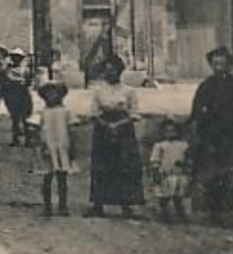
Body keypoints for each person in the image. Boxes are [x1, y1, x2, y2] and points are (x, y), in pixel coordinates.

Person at [189, 46, 233, 226]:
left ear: (228, 65)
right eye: (215, 64)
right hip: (211, 137)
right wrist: (198, 131)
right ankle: (214, 211)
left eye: (222, 64)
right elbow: (196, 112)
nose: (219, 67)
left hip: (232, 135)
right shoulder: (206, 86)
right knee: (213, 174)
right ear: (211, 65)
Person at [87, 55, 145, 217]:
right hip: (102, 130)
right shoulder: (98, 90)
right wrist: (106, 125)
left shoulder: (129, 91)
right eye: (107, 70)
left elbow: (135, 113)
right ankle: (98, 204)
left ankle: (126, 205)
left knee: (124, 166)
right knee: (102, 166)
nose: (110, 73)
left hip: (124, 131)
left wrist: (118, 125)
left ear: (120, 71)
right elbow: (94, 112)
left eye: (113, 70)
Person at [36, 80, 73, 216]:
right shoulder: (42, 112)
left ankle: (63, 205)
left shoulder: (66, 112)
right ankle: (47, 206)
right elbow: (37, 130)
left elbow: (71, 130)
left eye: (55, 93)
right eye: (49, 94)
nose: (52, 97)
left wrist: (72, 147)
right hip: (47, 148)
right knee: (47, 178)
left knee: (62, 178)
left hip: (62, 147)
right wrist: (40, 145)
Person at [148, 118, 191, 223]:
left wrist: (185, 163)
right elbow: (155, 160)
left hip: (179, 173)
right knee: (164, 197)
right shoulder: (160, 145)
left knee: (178, 196)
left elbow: (188, 158)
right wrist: (156, 172)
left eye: (173, 131)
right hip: (166, 174)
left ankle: (181, 215)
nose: (171, 133)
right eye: (168, 131)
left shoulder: (183, 145)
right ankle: (163, 215)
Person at [0, 47, 34, 147]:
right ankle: (15, 139)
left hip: (24, 96)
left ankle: (28, 140)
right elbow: (7, 80)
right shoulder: (8, 70)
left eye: (18, 57)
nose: (16, 59)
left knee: (26, 119)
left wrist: (24, 83)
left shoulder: (26, 70)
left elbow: (29, 81)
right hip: (13, 97)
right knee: (15, 118)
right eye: (14, 57)